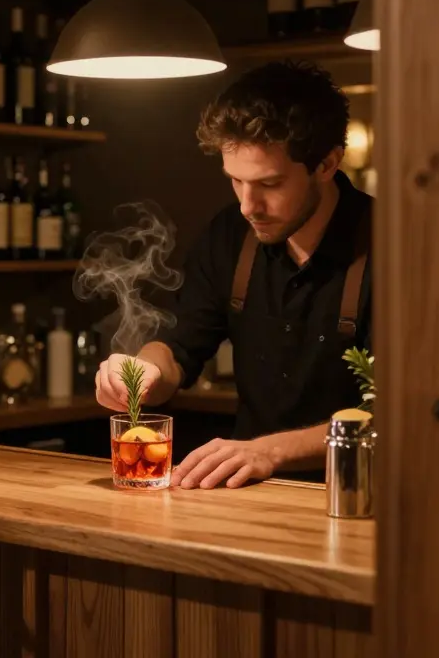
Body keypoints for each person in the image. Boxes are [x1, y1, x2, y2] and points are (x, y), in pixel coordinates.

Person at [94, 61, 372, 489]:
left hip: (364, 497)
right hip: (251, 495)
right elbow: (178, 348)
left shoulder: (395, 248)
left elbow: (406, 415)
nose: (248, 205)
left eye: (270, 184)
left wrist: (269, 451)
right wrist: (143, 373)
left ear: (328, 163)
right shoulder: (230, 237)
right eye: (235, 182)